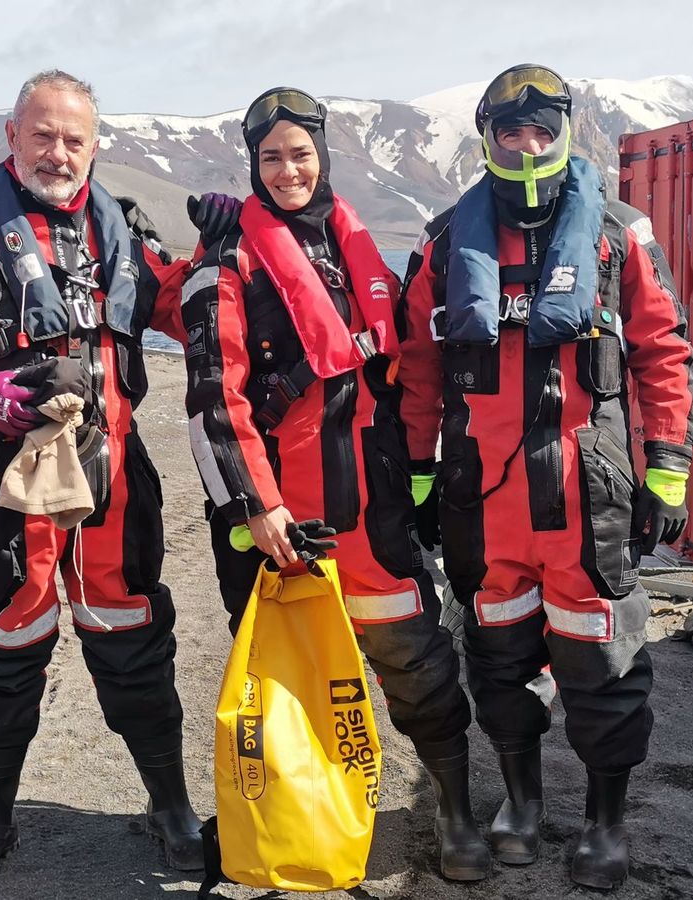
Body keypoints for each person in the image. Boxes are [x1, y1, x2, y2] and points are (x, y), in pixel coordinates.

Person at [0, 69, 215, 894]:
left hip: (113, 475)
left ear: (95, 145)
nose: (58, 152)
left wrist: (223, 253)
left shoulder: (125, 234)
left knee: (135, 635)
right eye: (42, 135)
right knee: (5, 643)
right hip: (0, 482)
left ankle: (171, 805)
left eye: (74, 139)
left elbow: (183, 311)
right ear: (12, 138)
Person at [398, 64, 693, 890]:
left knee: (605, 672)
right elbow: (418, 374)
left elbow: (666, 357)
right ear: (488, 138)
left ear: (564, 130)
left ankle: (605, 824)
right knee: (496, 660)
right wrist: (421, 482)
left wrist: (667, 473)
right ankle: (521, 804)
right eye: (509, 131)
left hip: (584, 497)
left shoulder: (617, 234)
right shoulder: (441, 244)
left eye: (540, 128)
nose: (525, 144)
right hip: (483, 502)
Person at [180, 87, 490, 882]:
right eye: (271, 157)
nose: (287, 170)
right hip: (282, 521)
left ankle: (454, 810)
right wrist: (261, 508)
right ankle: (285, 825)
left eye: (301, 154)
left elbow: (410, 370)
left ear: (325, 157)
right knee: (284, 686)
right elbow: (217, 398)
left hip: (373, 508)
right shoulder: (227, 262)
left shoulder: (362, 259)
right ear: (252, 163)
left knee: (418, 664)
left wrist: (421, 472)